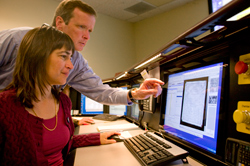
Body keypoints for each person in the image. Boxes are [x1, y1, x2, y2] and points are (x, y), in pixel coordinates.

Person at [0, 0, 164, 125]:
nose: (87, 36)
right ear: (60, 23)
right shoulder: (17, 39)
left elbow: (99, 91)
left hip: (32, 127)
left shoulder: (76, 62)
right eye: (81, 27)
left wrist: (134, 94)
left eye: (90, 30)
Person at [0, 25, 121, 166]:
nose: (71, 65)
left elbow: (62, 142)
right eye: (64, 56)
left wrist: (96, 138)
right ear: (38, 56)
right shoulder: (5, 107)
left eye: (70, 58)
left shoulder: (63, 101)